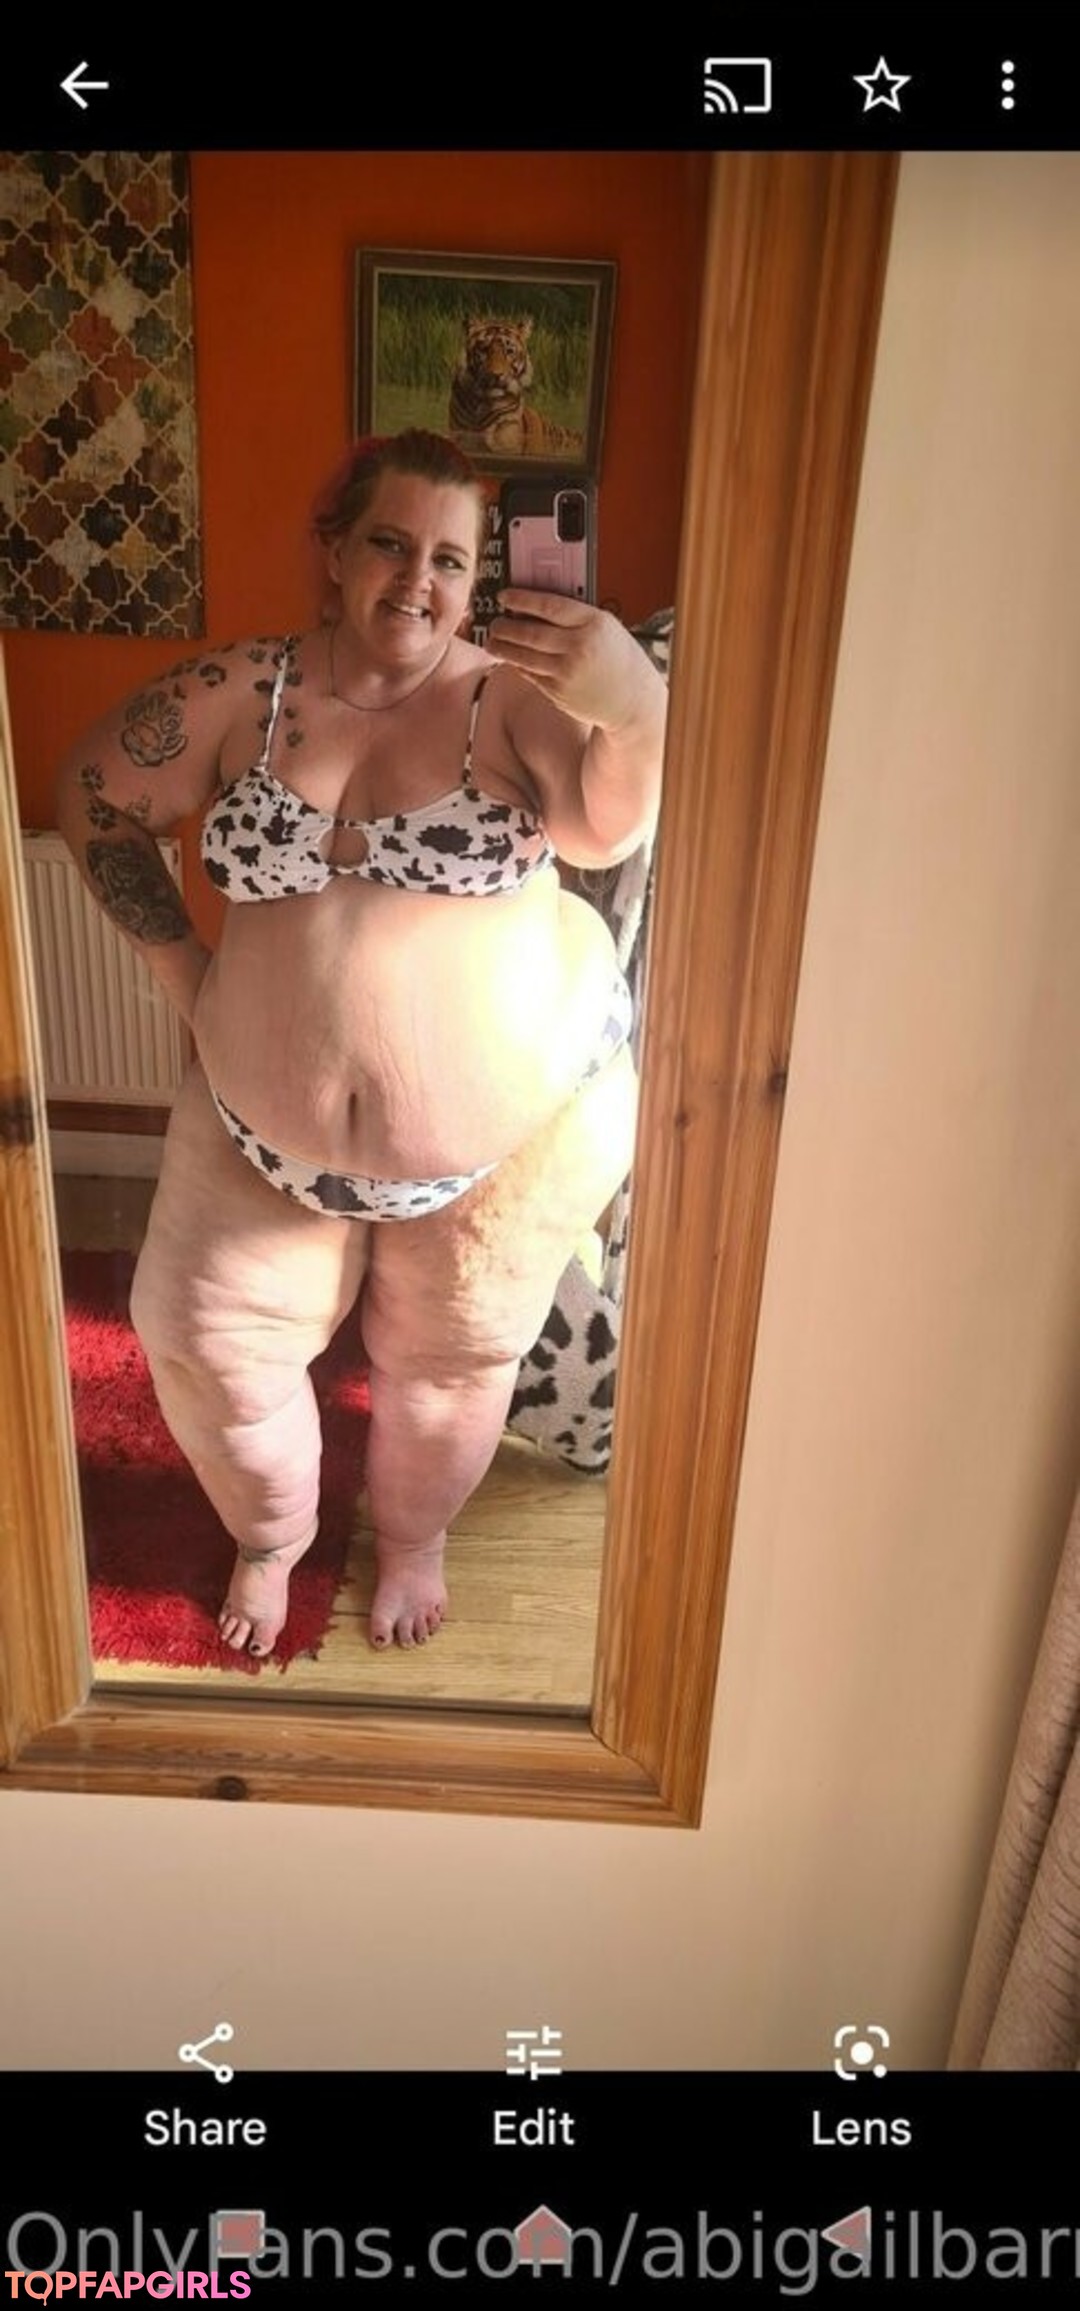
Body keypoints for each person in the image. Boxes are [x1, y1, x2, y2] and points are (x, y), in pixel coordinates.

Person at [55, 431, 667, 1657]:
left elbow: (602, 831)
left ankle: (416, 1538)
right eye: (391, 541)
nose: (418, 579)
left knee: (449, 1363)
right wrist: (185, 978)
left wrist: (633, 708)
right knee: (208, 1348)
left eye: (452, 557)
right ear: (333, 551)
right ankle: (274, 1536)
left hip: (492, 1149)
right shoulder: (247, 687)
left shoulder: (511, 700)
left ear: (478, 578)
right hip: (256, 1133)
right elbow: (94, 794)